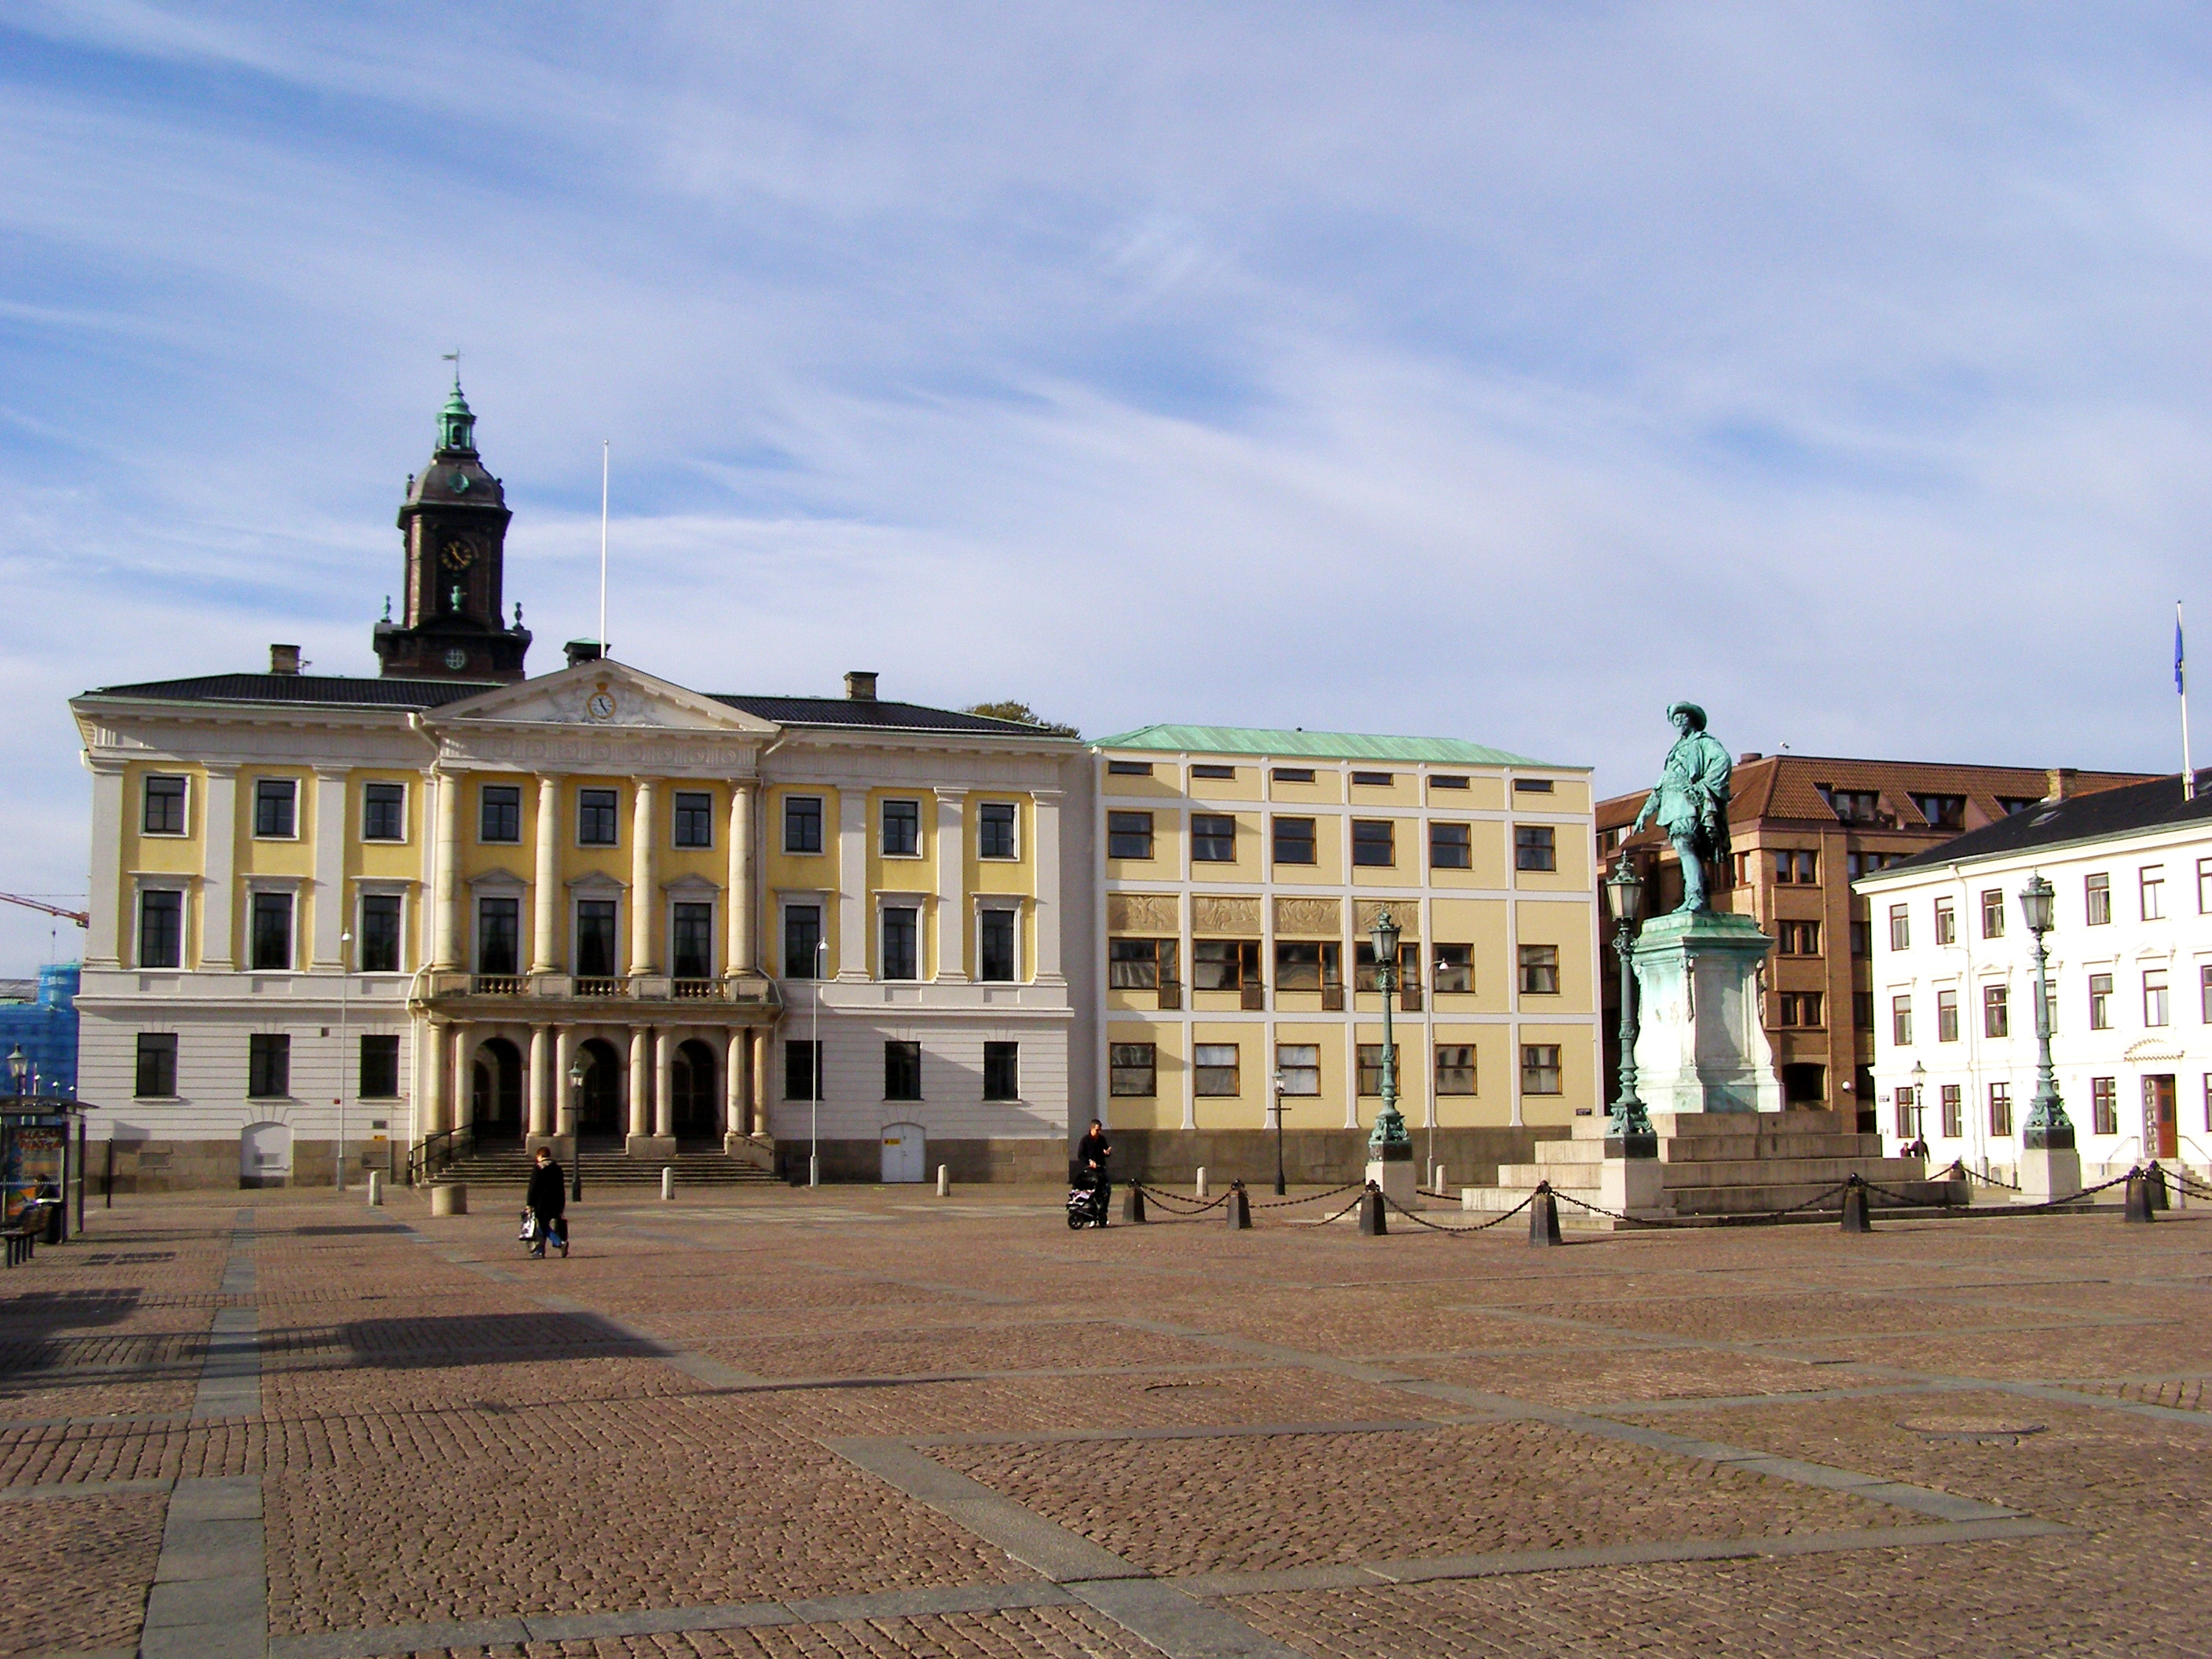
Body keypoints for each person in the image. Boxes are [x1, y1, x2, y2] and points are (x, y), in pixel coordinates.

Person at [1630, 701, 1734, 912]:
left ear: (1691, 718)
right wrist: (1644, 814)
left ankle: (1695, 897)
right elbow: (1661, 786)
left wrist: (1703, 786)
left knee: (1686, 847)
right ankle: (1698, 898)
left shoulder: (1703, 742)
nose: (1678, 721)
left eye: (1682, 716)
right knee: (1687, 850)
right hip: (1672, 807)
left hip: (1688, 806)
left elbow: (1723, 761)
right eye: (1674, 718)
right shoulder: (1675, 749)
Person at [526, 1146, 568, 1258]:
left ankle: (558, 1243)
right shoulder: (557, 1168)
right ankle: (540, 1251)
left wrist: (529, 1204)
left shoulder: (538, 1168)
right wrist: (561, 1205)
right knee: (543, 1226)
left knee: (543, 1226)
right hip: (555, 1202)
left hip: (541, 1203)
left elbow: (533, 1188)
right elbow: (561, 1188)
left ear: (540, 1156)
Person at [1076, 1118, 1112, 1219]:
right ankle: (1092, 1213)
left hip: (1101, 1168)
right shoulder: (1085, 1140)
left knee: (1107, 1189)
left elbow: (1106, 1150)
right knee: (1090, 1191)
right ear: (1092, 1129)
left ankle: (1103, 1212)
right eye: (1097, 1130)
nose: (1098, 1132)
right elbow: (1080, 1155)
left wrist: (1107, 1153)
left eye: (1100, 1130)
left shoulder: (1102, 1139)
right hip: (1090, 1169)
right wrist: (1089, 1161)